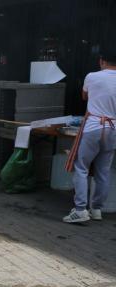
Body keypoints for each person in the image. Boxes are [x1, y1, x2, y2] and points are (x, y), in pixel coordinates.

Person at [63, 51, 116, 223]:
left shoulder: (92, 76)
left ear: (102, 61)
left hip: (93, 126)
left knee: (81, 167)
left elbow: (85, 96)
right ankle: (97, 209)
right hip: (113, 128)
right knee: (103, 171)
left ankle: (80, 210)